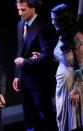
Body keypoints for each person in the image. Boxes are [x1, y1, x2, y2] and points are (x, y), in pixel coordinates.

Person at [12, 0, 57, 130]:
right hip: (24, 80)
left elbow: (47, 55)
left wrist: (25, 62)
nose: (20, 13)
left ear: (33, 8)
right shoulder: (21, 24)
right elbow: (19, 50)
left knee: (45, 115)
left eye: (23, 10)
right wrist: (17, 75)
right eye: (18, 9)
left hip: (39, 81)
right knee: (28, 117)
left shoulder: (43, 27)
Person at [51, 3, 83, 131]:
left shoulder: (78, 38)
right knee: (63, 120)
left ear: (63, 20)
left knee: (73, 121)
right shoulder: (62, 34)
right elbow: (64, 56)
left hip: (73, 85)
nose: (53, 22)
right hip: (62, 83)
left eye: (55, 20)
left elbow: (82, 65)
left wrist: (76, 89)